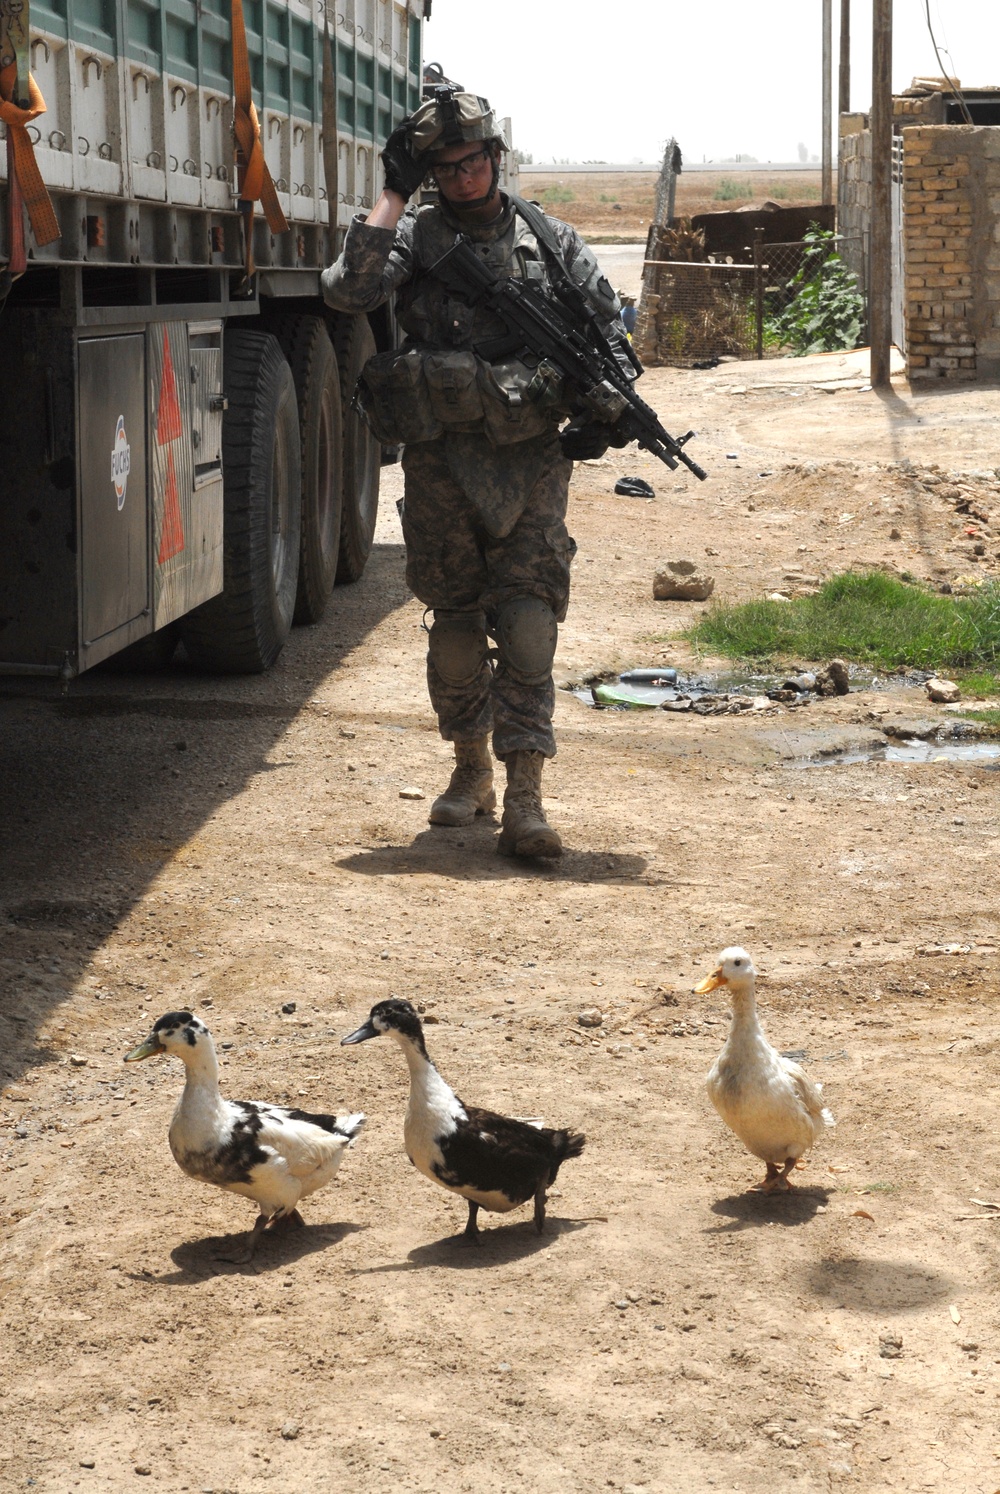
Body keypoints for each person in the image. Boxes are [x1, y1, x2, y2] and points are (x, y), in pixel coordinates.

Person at [321, 91, 632, 860]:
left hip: (529, 463)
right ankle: (471, 774)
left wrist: (610, 407)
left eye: (474, 162)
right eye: (445, 168)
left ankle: (526, 798)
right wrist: (391, 196)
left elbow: (612, 340)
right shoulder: (417, 238)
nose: (463, 178)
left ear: (496, 158)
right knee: (457, 630)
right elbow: (345, 291)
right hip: (440, 463)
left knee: (528, 626)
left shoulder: (551, 242)